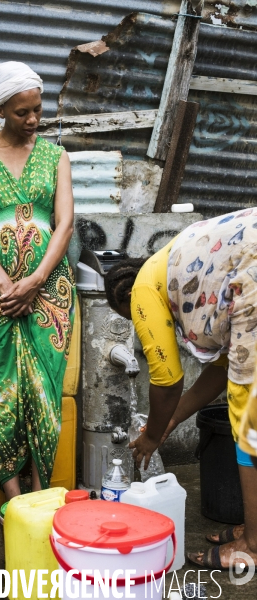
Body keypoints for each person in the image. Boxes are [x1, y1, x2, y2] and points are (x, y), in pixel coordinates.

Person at [104, 208, 257, 570]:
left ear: (125, 304)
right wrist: (171, 421)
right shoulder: (173, 262)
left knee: (247, 415)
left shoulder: (142, 290)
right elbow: (222, 370)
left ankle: (253, 545)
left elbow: (168, 381)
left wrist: (152, 436)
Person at [0, 61, 76, 501]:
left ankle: (40, 492)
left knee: (46, 392)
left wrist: (34, 281)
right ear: (1, 111)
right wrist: (7, 284)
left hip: (50, 291)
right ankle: (13, 495)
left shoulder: (56, 156)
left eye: (37, 109)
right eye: (21, 112)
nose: (33, 120)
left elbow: (65, 224)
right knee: (4, 393)